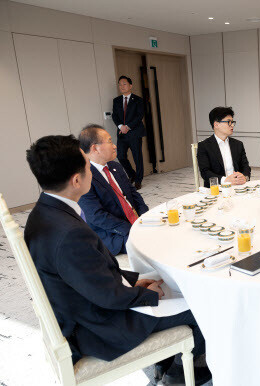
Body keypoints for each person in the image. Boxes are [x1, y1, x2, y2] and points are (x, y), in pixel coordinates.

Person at [24, 135, 210, 385]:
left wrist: (138, 281)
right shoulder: (69, 233)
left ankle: (164, 362)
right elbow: (107, 297)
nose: (92, 170)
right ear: (76, 180)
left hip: (82, 308)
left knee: (161, 283)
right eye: (89, 167)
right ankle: (176, 376)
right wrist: (148, 294)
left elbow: (92, 274)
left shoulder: (43, 213)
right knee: (200, 308)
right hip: (98, 326)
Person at [78, 124, 148, 256]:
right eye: (110, 141)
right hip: (114, 234)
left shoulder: (115, 166)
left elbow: (133, 194)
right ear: (95, 148)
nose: (115, 145)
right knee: (150, 244)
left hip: (135, 222)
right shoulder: (84, 177)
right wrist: (132, 229)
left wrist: (145, 217)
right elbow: (97, 216)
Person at [196, 106, 251, 188]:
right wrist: (225, 180)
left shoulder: (238, 144)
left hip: (238, 187)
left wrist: (245, 177)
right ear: (216, 124)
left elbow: (245, 166)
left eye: (233, 122)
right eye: (228, 122)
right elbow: (205, 172)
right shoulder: (204, 146)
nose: (232, 125)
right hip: (216, 189)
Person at [112, 75, 145, 190]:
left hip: (134, 132)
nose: (122, 86)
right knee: (120, 156)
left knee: (137, 157)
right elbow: (114, 115)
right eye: (120, 84)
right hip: (122, 133)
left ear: (130, 85)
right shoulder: (116, 101)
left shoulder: (138, 100)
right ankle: (132, 174)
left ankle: (138, 180)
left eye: (124, 84)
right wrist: (121, 126)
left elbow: (139, 116)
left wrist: (128, 127)